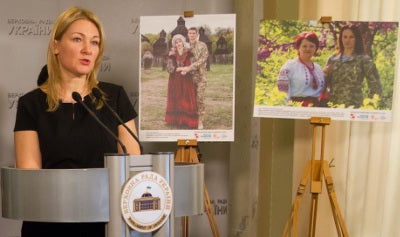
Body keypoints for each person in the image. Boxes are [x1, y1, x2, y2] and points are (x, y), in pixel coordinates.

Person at [13, 6, 141, 237]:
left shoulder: (115, 98)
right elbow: (30, 180)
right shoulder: (30, 104)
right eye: (77, 39)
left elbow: (134, 168)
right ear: (56, 46)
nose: (87, 50)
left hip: (107, 223)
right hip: (49, 224)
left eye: (94, 42)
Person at [324, 24, 382, 108]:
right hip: (333, 106)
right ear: (341, 38)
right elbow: (324, 85)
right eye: (345, 37)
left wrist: (369, 106)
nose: (347, 40)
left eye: (351, 37)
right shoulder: (332, 59)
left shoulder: (364, 60)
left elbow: (375, 86)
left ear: (357, 39)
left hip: (354, 107)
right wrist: (324, 75)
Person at [277, 32, 325, 107]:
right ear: (298, 47)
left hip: (316, 106)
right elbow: (282, 92)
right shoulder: (290, 66)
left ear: (316, 48)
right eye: (304, 46)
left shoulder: (318, 68)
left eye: (311, 46)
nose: (308, 49)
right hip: (296, 107)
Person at [177, 27, 209, 129]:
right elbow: (181, 57)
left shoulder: (202, 46)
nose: (192, 35)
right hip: (188, 78)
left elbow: (202, 60)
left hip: (200, 77)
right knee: (189, 99)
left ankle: (200, 120)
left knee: (199, 98)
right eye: (190, 33)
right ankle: (190, 119)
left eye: (193, 33)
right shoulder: (185, 46)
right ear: (187, 34)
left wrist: (189, 68)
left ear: (197, 34)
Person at [165, 34, 198, 129]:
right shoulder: (172, 55)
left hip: (187, 80)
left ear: (183, 42)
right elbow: (170, 69)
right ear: (174, 44)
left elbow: (193, 67)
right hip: (174, 81)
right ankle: (176, 120)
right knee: (176, 99)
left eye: (180, 41)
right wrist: (180, 69)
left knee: (186, 99)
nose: (178, 44)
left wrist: (185, 69)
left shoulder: (189, 53)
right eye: (176, 42)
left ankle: (186, 121)